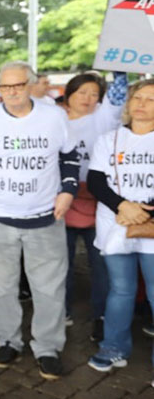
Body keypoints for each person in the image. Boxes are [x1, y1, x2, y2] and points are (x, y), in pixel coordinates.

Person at [0, 60, 79, 380]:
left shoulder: (54, 116)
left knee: (49, 288)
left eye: (18, 85)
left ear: (29, 85)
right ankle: (8, 341)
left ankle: (47, 348)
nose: (12, 92)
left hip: (46, 216)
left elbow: (70, 157)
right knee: (1, 286)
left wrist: (68, 191)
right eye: (5, 86)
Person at [86, 78, 154, 381]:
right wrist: (123, 207)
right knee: (121, 289)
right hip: (116, 225)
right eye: (137, 97)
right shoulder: (109, 139)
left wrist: (143, 212)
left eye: (150, 99)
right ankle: (113, 347)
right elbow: (96, 181)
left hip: (149, 224)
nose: (141, 104)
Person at [64, 72, 126, 338]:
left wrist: (119, 70)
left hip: (98, 201)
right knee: (61, 264)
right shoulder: (55, 121)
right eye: (82, 93)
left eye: (94, 94)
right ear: (69, 95)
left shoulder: (103, 118)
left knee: (101, 266)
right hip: (63, 201)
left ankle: (101, 315)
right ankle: (61, 311)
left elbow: (118, 95)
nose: (88, 99)